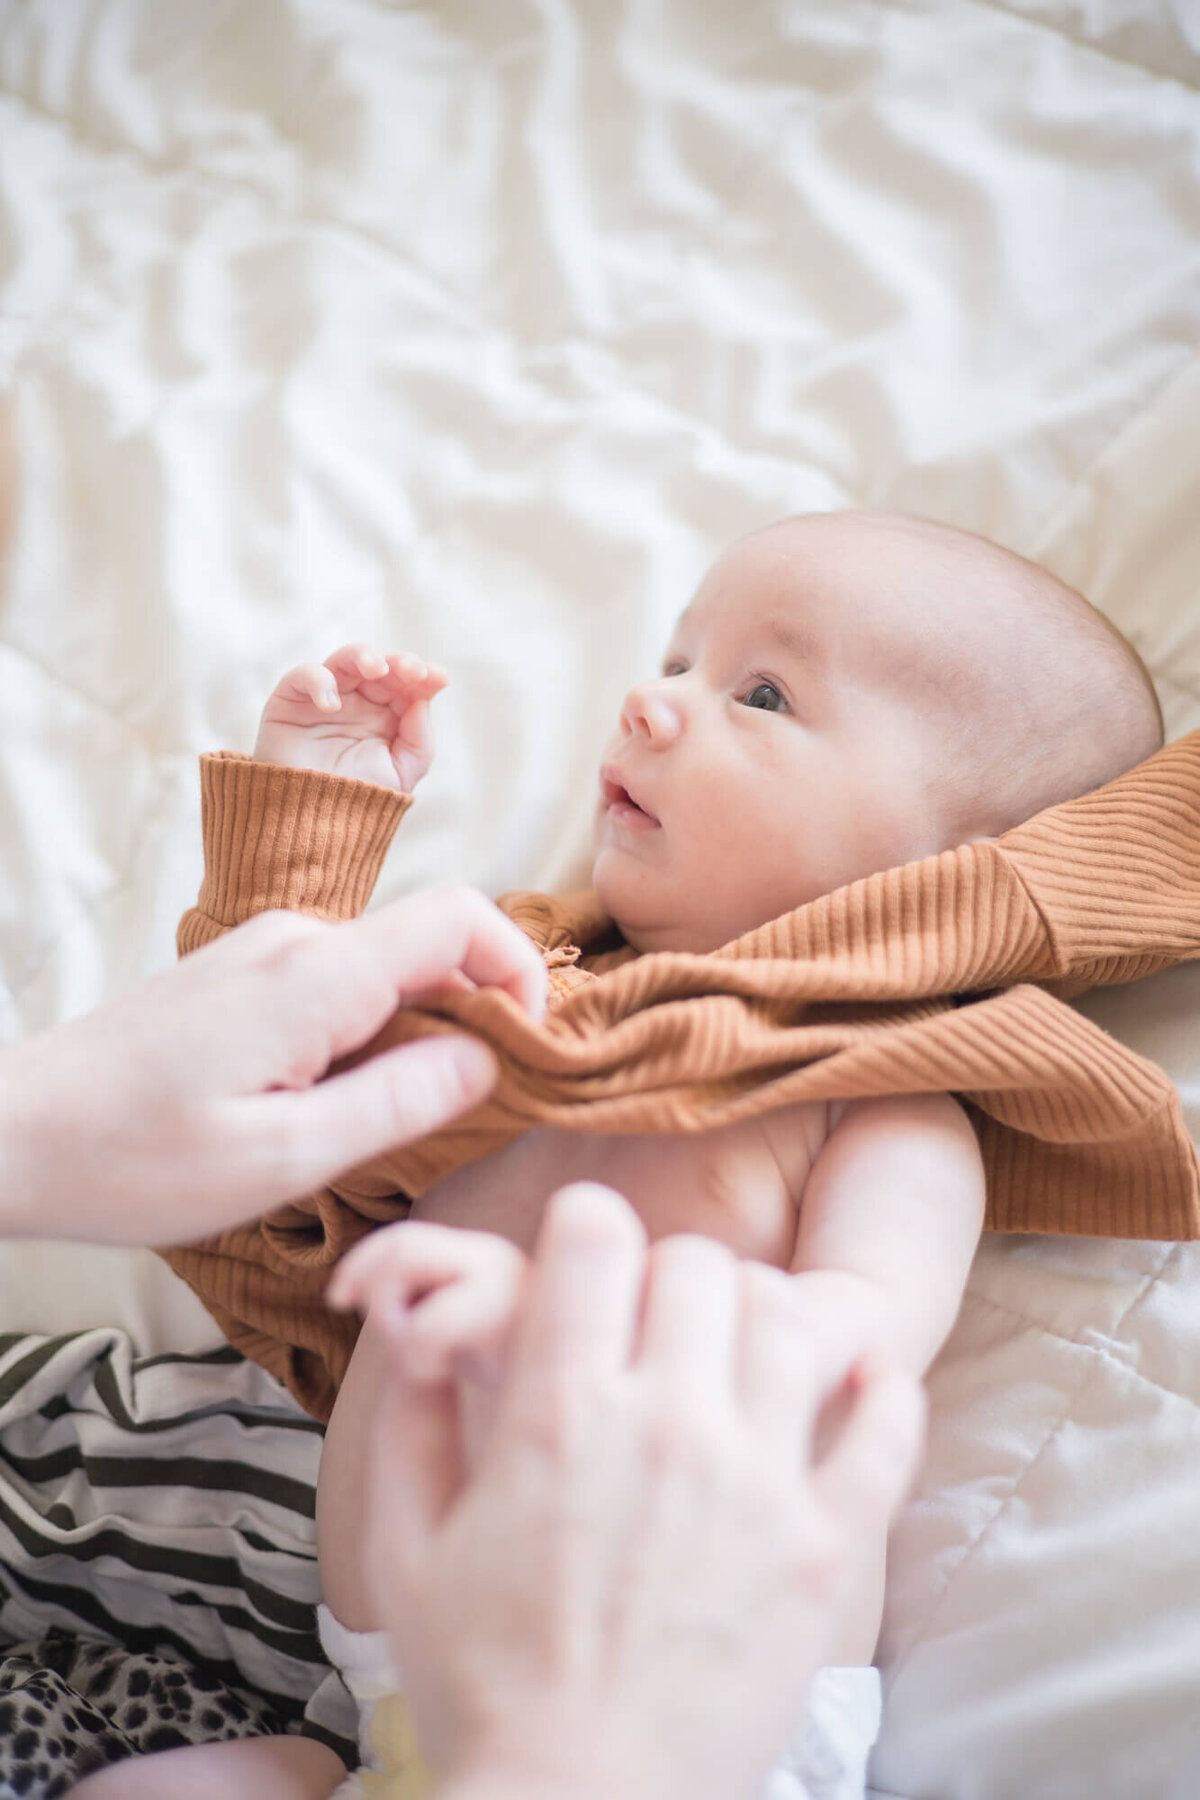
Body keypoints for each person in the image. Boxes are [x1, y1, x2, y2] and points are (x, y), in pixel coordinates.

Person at [132, 508, 1166, 1795]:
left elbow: (851, 1347)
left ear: (946, 868)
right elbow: (249, 1096)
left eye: (764, 694)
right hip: (393, 1708)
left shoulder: (881, 1098)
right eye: (678, 660)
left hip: (703, 1714)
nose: (651, 700)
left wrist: (522, 1308)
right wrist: (316, 811)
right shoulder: (523, 989)